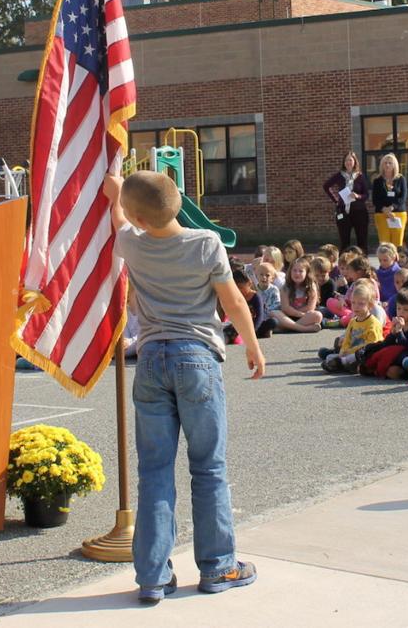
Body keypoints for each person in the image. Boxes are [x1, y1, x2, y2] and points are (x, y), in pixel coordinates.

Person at [105, 170, 264, 602]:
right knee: (208, 467)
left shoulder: (131, 243)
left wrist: (116, 193)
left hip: (152, 358)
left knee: (154, 471)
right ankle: (218, 566)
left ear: (137, 215)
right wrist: (252, 345)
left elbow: (120, 219)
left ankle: (153, 576)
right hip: (197, 357)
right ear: (178, 200)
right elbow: (232, 301)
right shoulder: (206, 244)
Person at [319, 279, 384, 373]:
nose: (356, 307)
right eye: (353, 303)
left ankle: (343, 364)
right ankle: (343, 364)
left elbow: (372, 344)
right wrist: (343, 350)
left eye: (361, 304)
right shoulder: (353, 321)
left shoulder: (373, 323)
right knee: (329, 357)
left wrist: (351, 351)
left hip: (364, 353)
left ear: (370, 305)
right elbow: (347, 339)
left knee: (355, 358)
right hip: (350, 352)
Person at [361, 288, 408, 379]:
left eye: (406, 310)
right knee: (391, 371)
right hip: (397, 358)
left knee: (400, 358)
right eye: (399, 308)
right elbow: (387, 344)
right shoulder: (398, 323)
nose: (401, 312)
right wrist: (393, 334)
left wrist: (399, 332)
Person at [323, 151, 369, 253]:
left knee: (362, 241)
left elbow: (366, 195)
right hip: (343, 212)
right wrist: (336, 200)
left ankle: (363, 263)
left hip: (359, 212)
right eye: (346, 160)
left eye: (350, 160)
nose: (348, 162)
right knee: (344, 242)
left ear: (354, 162)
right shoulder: (339, 176)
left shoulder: (360, 176)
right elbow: (326, 186)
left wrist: (357, 196)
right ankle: (344, 265)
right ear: (344, 162)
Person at [370, 153, 408, 249]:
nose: (387, 165)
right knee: (384, 245)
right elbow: (375, 199)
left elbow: (402, 198)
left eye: (390, 163)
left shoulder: (401, 179)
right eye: (385, 163)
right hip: (381, 215)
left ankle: (397, 263)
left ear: (394, 165)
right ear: (382, 165)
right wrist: (385, 210)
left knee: (397, 244)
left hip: (398, 215)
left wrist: (391, 208)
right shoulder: (377, 180)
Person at [276, 259, 323, 333]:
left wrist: (301, 314)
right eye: (294, 270)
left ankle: (287, 328)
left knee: (318, 315)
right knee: (274, 313)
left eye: (301, 271)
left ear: (307, 273)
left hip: (304, 317)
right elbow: (285, 308)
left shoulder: (311, 287)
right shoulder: (285, 287)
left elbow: (310, 307)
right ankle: (303, 328)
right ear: (290, 272)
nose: (297, 273)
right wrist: (299, 314)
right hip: (287, 317)